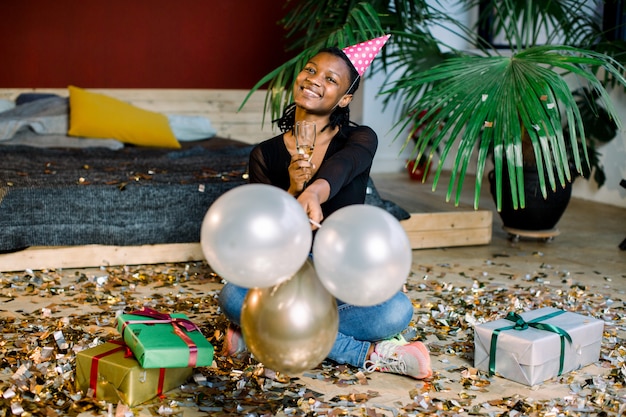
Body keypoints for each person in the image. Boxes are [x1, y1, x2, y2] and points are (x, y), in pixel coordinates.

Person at [218, 36, 432, 380]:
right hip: (287, 274)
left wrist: (315, 191)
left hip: (341, 273)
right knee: (231, 295)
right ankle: (370, 353)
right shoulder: (265, 153)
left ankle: (265, 331)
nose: (315, 79)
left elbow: (344, 166)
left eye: (331, 79)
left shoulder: (360, 139)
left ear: (344, 98)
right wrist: (291, 189)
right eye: (310, 70)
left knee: (395, 312)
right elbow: (261, 236)